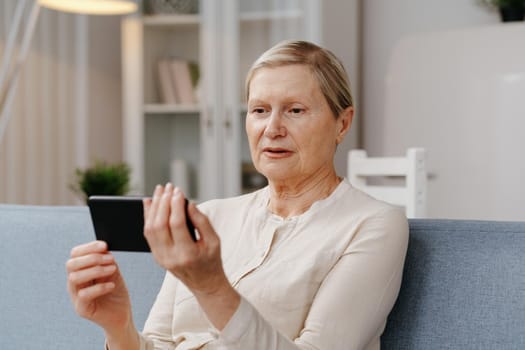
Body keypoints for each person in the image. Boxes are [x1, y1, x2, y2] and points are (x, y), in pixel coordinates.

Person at [66, 40, 408, 350]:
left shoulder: (374, 224)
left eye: (295, 110)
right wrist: (119, 328)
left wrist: (212, 287)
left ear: (343, 123)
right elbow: (158, 343)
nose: (272, 129)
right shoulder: (210, 216)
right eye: (259, 110)